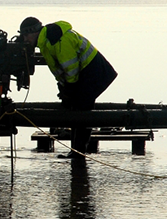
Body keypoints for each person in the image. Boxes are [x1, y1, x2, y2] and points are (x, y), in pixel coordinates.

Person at [20, 17, 118, 159]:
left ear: (34, 32)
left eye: (26, 35)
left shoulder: (58, 39)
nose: (25, 39)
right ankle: (77, 151)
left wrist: (70, 91)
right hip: (83, 74)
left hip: (96, 71)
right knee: (77, 107)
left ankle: (78, 152)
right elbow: (59, 71)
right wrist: (63, 90)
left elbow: (71, 70)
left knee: (82, 109)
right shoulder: (46, 43)